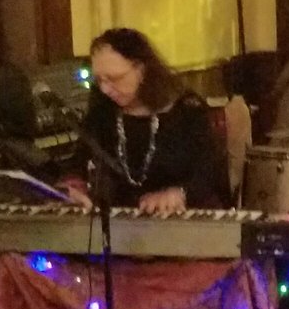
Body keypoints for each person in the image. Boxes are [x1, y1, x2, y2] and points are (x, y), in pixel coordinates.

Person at [63, 27, 221, 212]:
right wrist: (74, 187)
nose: (105, 89)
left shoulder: (187, 110)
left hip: (181, 217)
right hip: (117, 220)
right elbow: (79, 161)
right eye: (99, 80)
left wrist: (180, 193)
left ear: (141, 70)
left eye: (115, 78)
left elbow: (210, 173)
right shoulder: (102, 112)